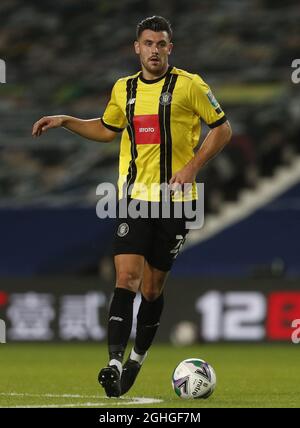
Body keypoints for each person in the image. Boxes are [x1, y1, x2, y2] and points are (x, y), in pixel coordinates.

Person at [32, 15, 232, 398]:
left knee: (153, 290)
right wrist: (67, 120)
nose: (154, 50)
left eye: (161, 44)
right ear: (136, 47)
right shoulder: (122, 90)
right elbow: (107, 130)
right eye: (148, 43)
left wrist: (191, 168)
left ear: (169, 48)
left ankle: (136, 361)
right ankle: (112, 364)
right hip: (134, 200)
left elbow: (222, 128)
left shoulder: (190, 86)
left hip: (176, 203)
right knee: (126, 279)